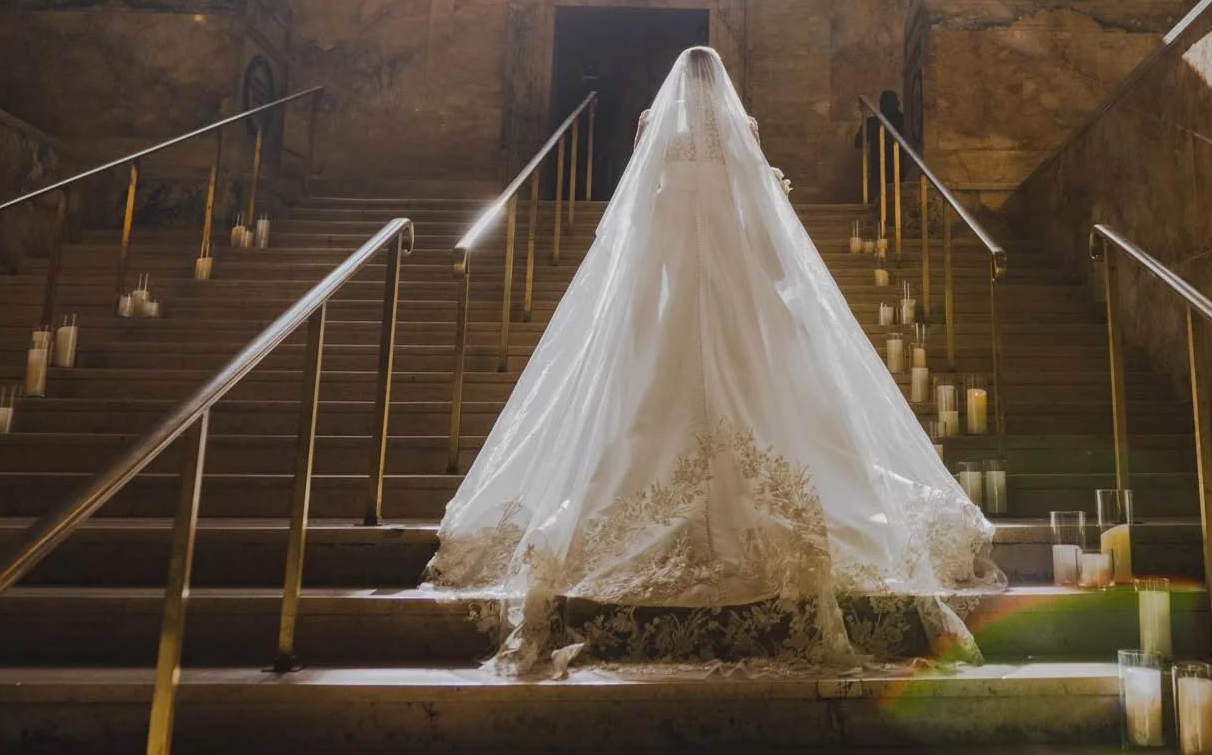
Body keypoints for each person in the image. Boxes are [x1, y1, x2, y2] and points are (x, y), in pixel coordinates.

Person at [428, 47, 1001, 671]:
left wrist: (631, 323)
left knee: (648, 420)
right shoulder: (738, 149)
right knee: (770, 419)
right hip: (742, 315)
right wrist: (786, 307)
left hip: (668, 309)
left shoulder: (660, 153)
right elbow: (772, 252)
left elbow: (636, 252)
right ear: (724, 92)